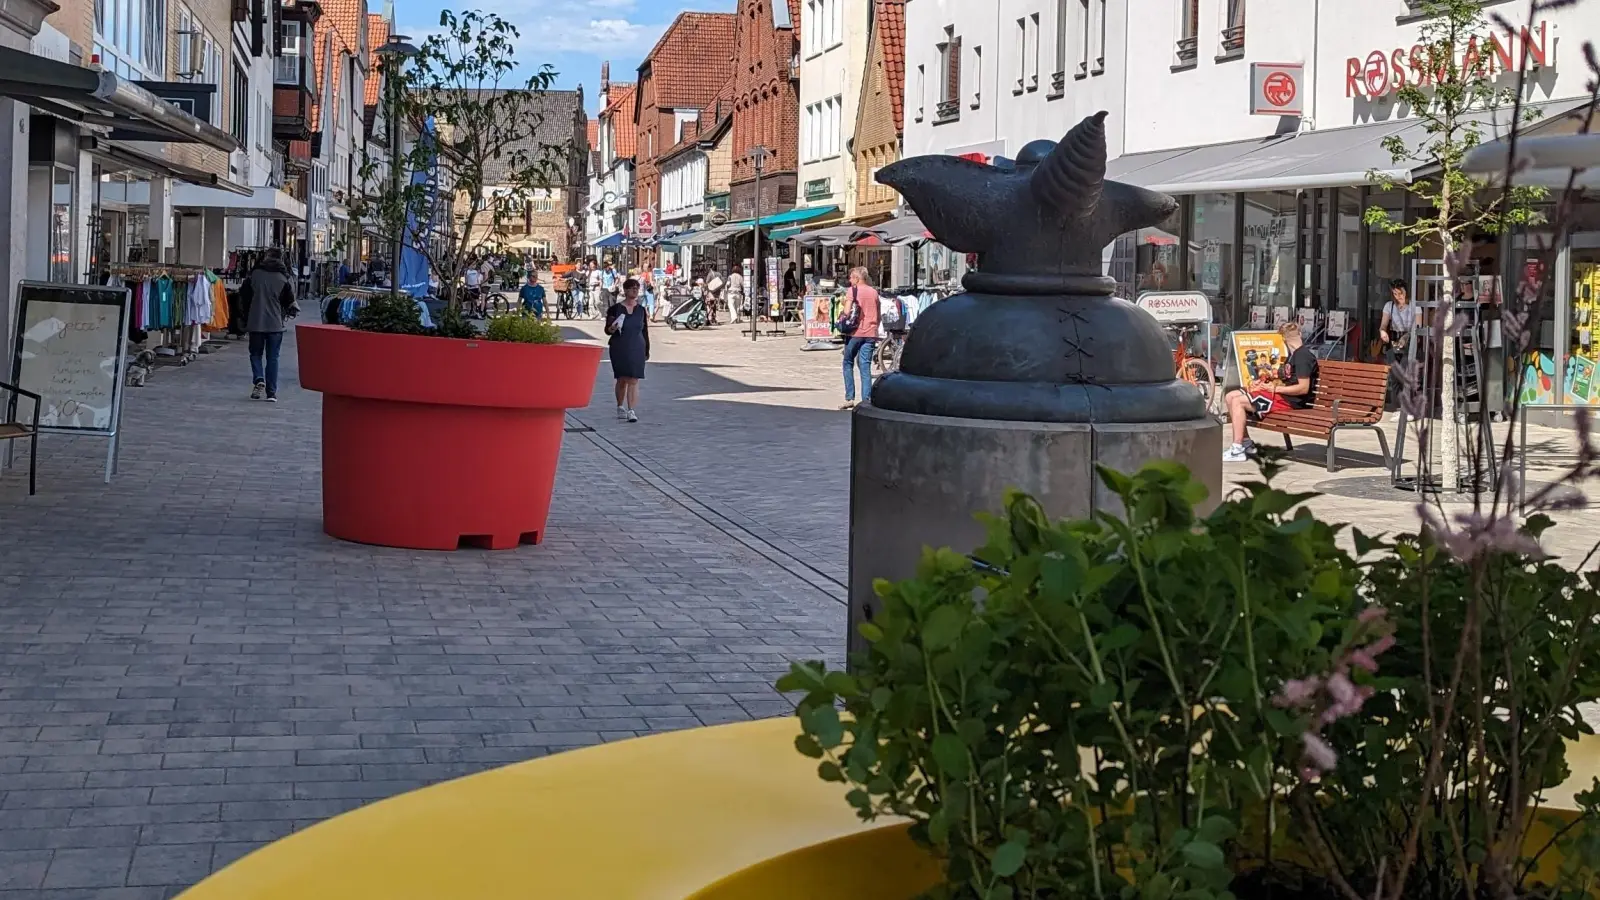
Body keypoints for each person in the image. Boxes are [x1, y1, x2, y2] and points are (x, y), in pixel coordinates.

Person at [1221, 321, 1318, 462]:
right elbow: (1284, 378)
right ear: (1300, 335)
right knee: (1231, 396)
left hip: (1290, 402)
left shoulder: (1303, 357)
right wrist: (1263, 384)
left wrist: (1274, 389)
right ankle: (1246, 442)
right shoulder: (1293, 355)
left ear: (1283, 339)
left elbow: (1303, 388)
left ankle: (1237, 449)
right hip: (1280, 397)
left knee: (1238, 401)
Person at [239, 248, 298, 403]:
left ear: (266, 257)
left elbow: (243, 297)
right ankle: (271, 393)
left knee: (255, 354)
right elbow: (289, 302)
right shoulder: (283, 278)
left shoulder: (254, 275)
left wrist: (245, 317)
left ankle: (259, 378)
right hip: (275, 324)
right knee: (273, 358)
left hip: (255, 321)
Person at [605, 277, 650, 423]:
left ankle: (631, 410)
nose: (635, 290)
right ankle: (620, 406)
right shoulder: (615, 309)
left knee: (634, 379)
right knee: (622, 378)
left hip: (637, 346)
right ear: (625, 290)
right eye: (632, 288)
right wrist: (612, 328)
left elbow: (645, 331)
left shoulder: (641, 310)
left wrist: (647, 349)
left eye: (637, 288)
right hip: (620, 346)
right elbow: (608, 329)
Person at [840, 266, 882, 410]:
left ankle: (849, 397)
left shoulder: (852, 291)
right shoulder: (874, 292)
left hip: (855, 333)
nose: (849, 280)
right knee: (865, 366)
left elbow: (846, 312)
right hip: (871, 333)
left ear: (857, 278)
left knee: (847, 362)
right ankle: (867, 399)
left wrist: (842, 307)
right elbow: (879, 315)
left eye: (851, 277)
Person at [1379, 277, 1417, 410]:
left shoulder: (1414, 306)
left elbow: (1417, 326)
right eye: (1395, 293)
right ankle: (1397, 407)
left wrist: (1407, 336)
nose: (1398, 296)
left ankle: (1408, 406)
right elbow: (1383, 325)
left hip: (1409, 340)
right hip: (1394, 340)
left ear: (1406, 292)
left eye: (1400, 293)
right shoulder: (1389, 306)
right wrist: (1383, 332)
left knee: (1405, 373)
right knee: (1394, 376)